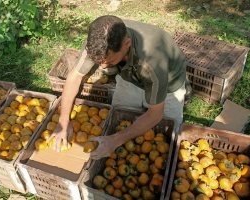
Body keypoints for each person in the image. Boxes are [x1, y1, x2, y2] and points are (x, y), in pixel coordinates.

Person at [47, 15, 188, 159]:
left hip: (169, 83)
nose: (102, 66)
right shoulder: (97, 42)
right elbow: (75, 77)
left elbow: (155, 114)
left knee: (168, 130)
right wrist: (63, 121)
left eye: (109, 61)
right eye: (99, 62)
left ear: (127, 44)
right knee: (119, 117)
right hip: (129, 76)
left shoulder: (151, 62)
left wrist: (115, 140)